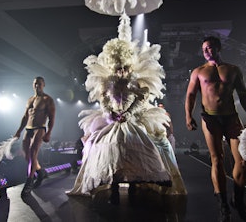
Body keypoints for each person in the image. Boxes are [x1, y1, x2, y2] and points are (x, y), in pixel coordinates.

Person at [67, 13, 186, 204]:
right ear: (113, 65)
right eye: (118, 67)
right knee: (105, 149)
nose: (120, 70)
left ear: (128, 65)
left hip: (132, 120)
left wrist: (128, 113)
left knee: (136, 149)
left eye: (123, 67)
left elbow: (141, 99)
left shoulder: (134, 82)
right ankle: (113, 187)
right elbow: (104, 100)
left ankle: (133, 186)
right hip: (113, 120)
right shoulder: (108, 82)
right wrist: (110, 113)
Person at [185, 36, 246, 222]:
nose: (207, 51)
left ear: (218, 48)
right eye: (204, 49)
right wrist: (188, 115)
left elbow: (243, 94)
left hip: (231, 117)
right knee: (217, 159)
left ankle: (239, 201)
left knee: (242, 161)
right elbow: (191, 95)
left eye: (209, 47)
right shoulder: (198, 72)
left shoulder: (233, 69)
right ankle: (223, 206)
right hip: (209, 117)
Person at [14, 76, 56, 197]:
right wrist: (18, 131)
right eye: (35, 84)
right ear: (33, 85)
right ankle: (40, 171)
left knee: (33, 153)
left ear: (44, 85)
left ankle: (29, 182)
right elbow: (25, 116)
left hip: (40, 127)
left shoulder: (48, 99)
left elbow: (52, 118)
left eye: (39, 84)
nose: (37, 86)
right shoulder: (29, 100)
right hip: (28, 128)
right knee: (27, 155)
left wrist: (49, 132)